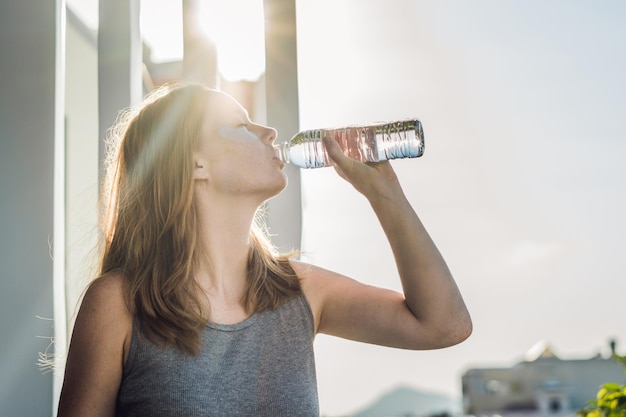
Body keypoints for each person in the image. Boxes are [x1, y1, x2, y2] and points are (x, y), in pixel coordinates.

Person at [57, 82, 472, 417]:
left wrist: (386, 195)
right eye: (241, 125)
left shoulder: (301, 292)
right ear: (195, 163)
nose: (270, 133)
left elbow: (443, 325)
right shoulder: (119, 304)